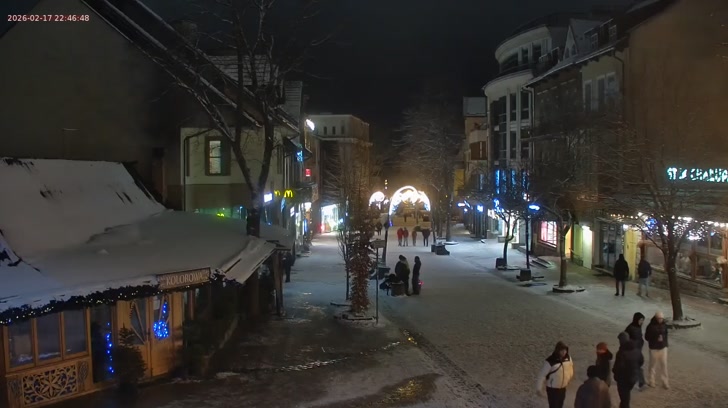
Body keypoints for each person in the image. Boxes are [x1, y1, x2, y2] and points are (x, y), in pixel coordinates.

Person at [536, 341, 574, 408]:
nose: (564, 352)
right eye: (562, 350)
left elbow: (570, 368)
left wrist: (568, 379)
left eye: (565, 350)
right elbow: (542, 375)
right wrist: (538, 388)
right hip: (552, 389)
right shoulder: (550, 361)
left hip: (563, 388)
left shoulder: (568, 358)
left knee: (560, 405)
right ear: (557, 350)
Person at [613, 332, 643, 408]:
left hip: (623, 379)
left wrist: (615, 373)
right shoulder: (636, 349)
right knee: (626, 396)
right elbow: (641, 361)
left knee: (624, 398)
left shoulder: (621, 352)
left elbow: (618, 367)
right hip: (633, 377)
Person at [645, 311, 669, 389]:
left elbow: (666, 334)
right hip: (654, 348)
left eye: (661, 318)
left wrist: (665, 343)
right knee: (652, 365)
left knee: (664, 365)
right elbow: (647, 337)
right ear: (655, 318)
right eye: (659, 318)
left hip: (663, 348)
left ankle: (665, 382)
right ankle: (651, 381)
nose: (660, 320)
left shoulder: (664, 325)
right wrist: (655, 338)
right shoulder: (650, 326)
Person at [624, 312, 646, 388]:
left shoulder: (638, 327)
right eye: (640, 320)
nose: (642, 322)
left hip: (637, 350)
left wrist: (641, 342)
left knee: (636, 365)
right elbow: (625, 339)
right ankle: (640, 382)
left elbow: (639, 337)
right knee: (635, 366)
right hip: (632, 350)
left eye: (642, 320)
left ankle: (640, 381)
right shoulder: (630, 328)